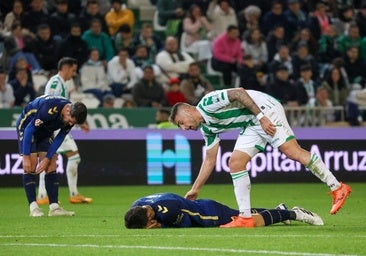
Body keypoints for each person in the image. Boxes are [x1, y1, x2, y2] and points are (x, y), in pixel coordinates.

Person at [169, 88, 351, 228]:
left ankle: (337, 186)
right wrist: (195, 189)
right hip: (251, 123)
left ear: (188, 111)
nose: (184, 128)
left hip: (265, 110)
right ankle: (245, 218)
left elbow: (239, 92)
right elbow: (209, 159)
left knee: (292, 152)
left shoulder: (208, 102)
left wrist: (261, 117)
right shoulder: (207, 129)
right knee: (235, 162)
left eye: (181, 123)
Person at [16, 95, 87, 217]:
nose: (70, 124)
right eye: (70, 120)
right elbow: (30, 129)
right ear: (68, 110)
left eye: (73, 123)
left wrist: (47, 158)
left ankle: (54, 208)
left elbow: (60, 136)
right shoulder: (49, 108)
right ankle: (33, 208)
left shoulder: (71, 116)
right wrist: (25, 156)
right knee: (31, 164)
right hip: (27, 126)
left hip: (46, 130)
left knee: (52, 163)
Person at [37, 57, 93, 205]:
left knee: (49, 158)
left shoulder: (61, 83)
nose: (74, 74)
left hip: (55, 126)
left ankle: (43, 195)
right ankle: (72, 194)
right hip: (54, 127)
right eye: (73, 70)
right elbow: (48, 104)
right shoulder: (56, 83)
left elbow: (69, 111)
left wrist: (80, 124)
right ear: (66, 67)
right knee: (72, 157)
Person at [124, 192, 324, 228]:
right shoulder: (138, 204)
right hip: (202, 205)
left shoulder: (167, 211)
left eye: (150, 219)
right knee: (243, 211)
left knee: (248, 222)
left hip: (210, 214)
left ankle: (296, 213)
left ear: (150, 216)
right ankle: (280, 210)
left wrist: (161, 227)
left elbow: (183, 225)